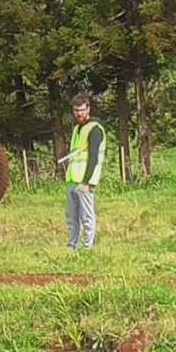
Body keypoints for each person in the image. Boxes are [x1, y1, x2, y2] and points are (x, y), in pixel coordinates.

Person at [65, 94, 106, 250]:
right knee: (71, 218)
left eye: (82, 110)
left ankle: (88, 248)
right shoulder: (77, 129)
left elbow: (93, 158)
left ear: (88, 109)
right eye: (76, 110)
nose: (79, 114)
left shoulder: (95, 129)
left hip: (85, 183)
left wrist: (86, 181)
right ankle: (71, 248)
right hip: (72, 180)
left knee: (87, 217)